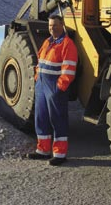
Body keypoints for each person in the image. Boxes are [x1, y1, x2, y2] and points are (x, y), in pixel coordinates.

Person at [27, 14, 78, 166]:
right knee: (40, 118)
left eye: (55, 25)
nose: (52, 28)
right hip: (42, 85)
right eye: (50, 26)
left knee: (58, 120)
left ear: (62, 25)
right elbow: (39, 62)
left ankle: (60, 154)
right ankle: (42, 151)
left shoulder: (67, 44)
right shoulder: (47, 42)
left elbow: (69, 69)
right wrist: (37, 78)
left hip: (54, 87)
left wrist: (59, 87)